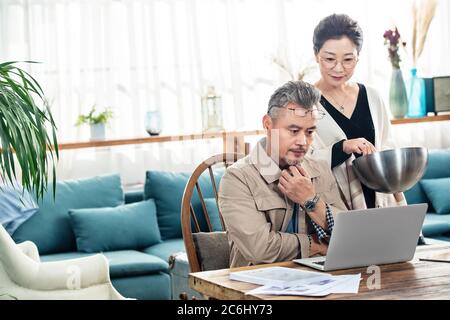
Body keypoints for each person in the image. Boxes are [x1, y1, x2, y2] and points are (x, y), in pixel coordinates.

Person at [218, 81, 347, 268]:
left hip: (320, 280)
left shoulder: (319, 168)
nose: (303, 141)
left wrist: (311, 200)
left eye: (310, 132)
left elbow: (349, 234)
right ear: (268, 124)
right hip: (257, 285)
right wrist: (317, 245)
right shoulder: (237, 178)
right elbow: (260, 249)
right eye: (293, 131)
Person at [310, 13, 406, 210]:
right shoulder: (305, 103)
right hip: (335, 209)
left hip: (381, 203)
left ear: (358, 57)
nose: (338, 68)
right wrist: (343, 147)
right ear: (316, 55)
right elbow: (303, 160)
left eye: (348, 59)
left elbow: (387, 145)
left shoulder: (372, 95)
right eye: (329, 59)